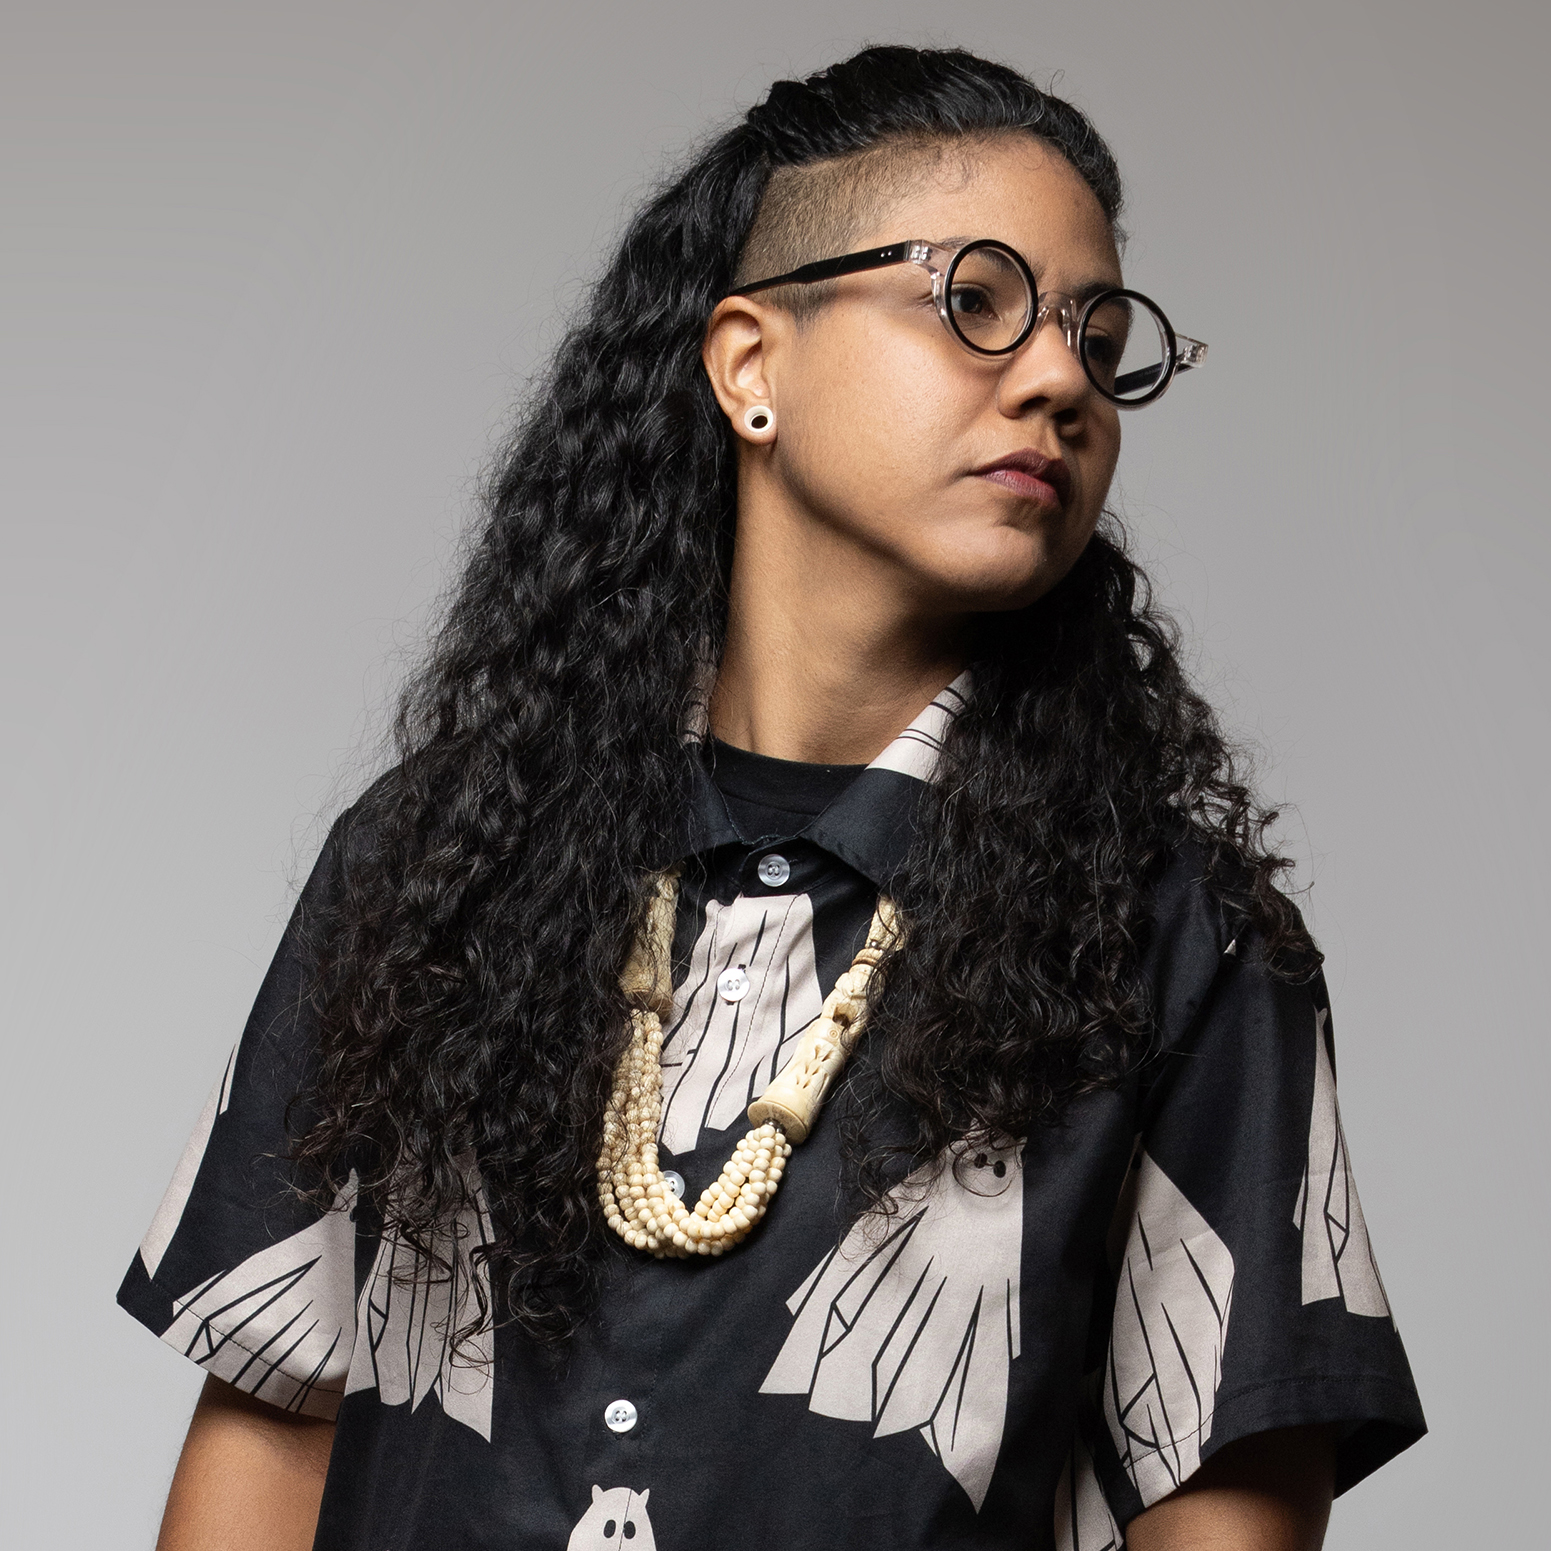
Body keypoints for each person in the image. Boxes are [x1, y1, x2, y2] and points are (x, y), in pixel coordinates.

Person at [120, 46, 1423, 1551]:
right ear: (751, 366)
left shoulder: (1181, 941)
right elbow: (276, 1437)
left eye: (1100, 336)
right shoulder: (429, 856)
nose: (1060, 378)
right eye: (977, 299)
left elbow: (1226, 1514)